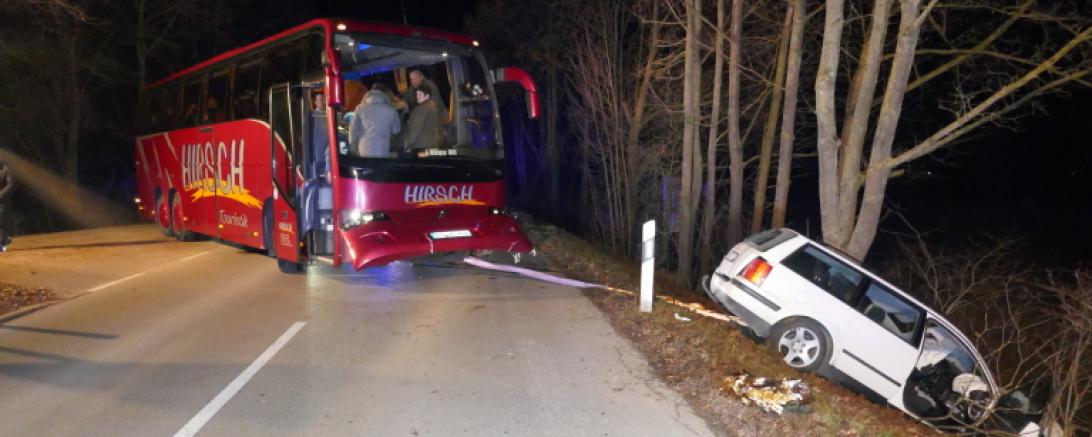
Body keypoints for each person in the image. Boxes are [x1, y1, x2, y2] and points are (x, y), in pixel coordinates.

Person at [348, 89, 402, 157]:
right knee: (380, 167)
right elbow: (396, 130)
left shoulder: (359, 108)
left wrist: (352, 147)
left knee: (365, 167)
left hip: (363, 148)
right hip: (382, 148)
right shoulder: (391, 110)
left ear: (366, 97)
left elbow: (353, 130)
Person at [0, 158, 14, 251]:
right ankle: (5, 239)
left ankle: (2, 243)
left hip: (2, 200)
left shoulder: (6, 169)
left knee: (1, 221)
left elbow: (10, 184)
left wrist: (1, 193)